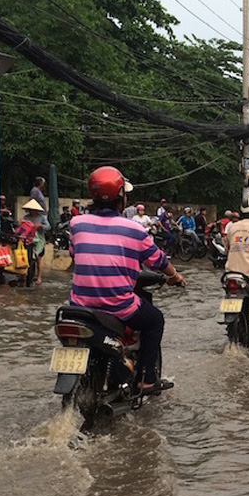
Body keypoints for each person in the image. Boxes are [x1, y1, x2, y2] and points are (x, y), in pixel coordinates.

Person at [69, 166, 185, 395]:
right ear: (121, 196)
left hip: (78, 307)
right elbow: (159, 261)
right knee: (155, 321)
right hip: (117, 306)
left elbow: (76, 255)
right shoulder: (134, 229)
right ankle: (147, 380)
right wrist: (174, 275)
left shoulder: (76, 224)